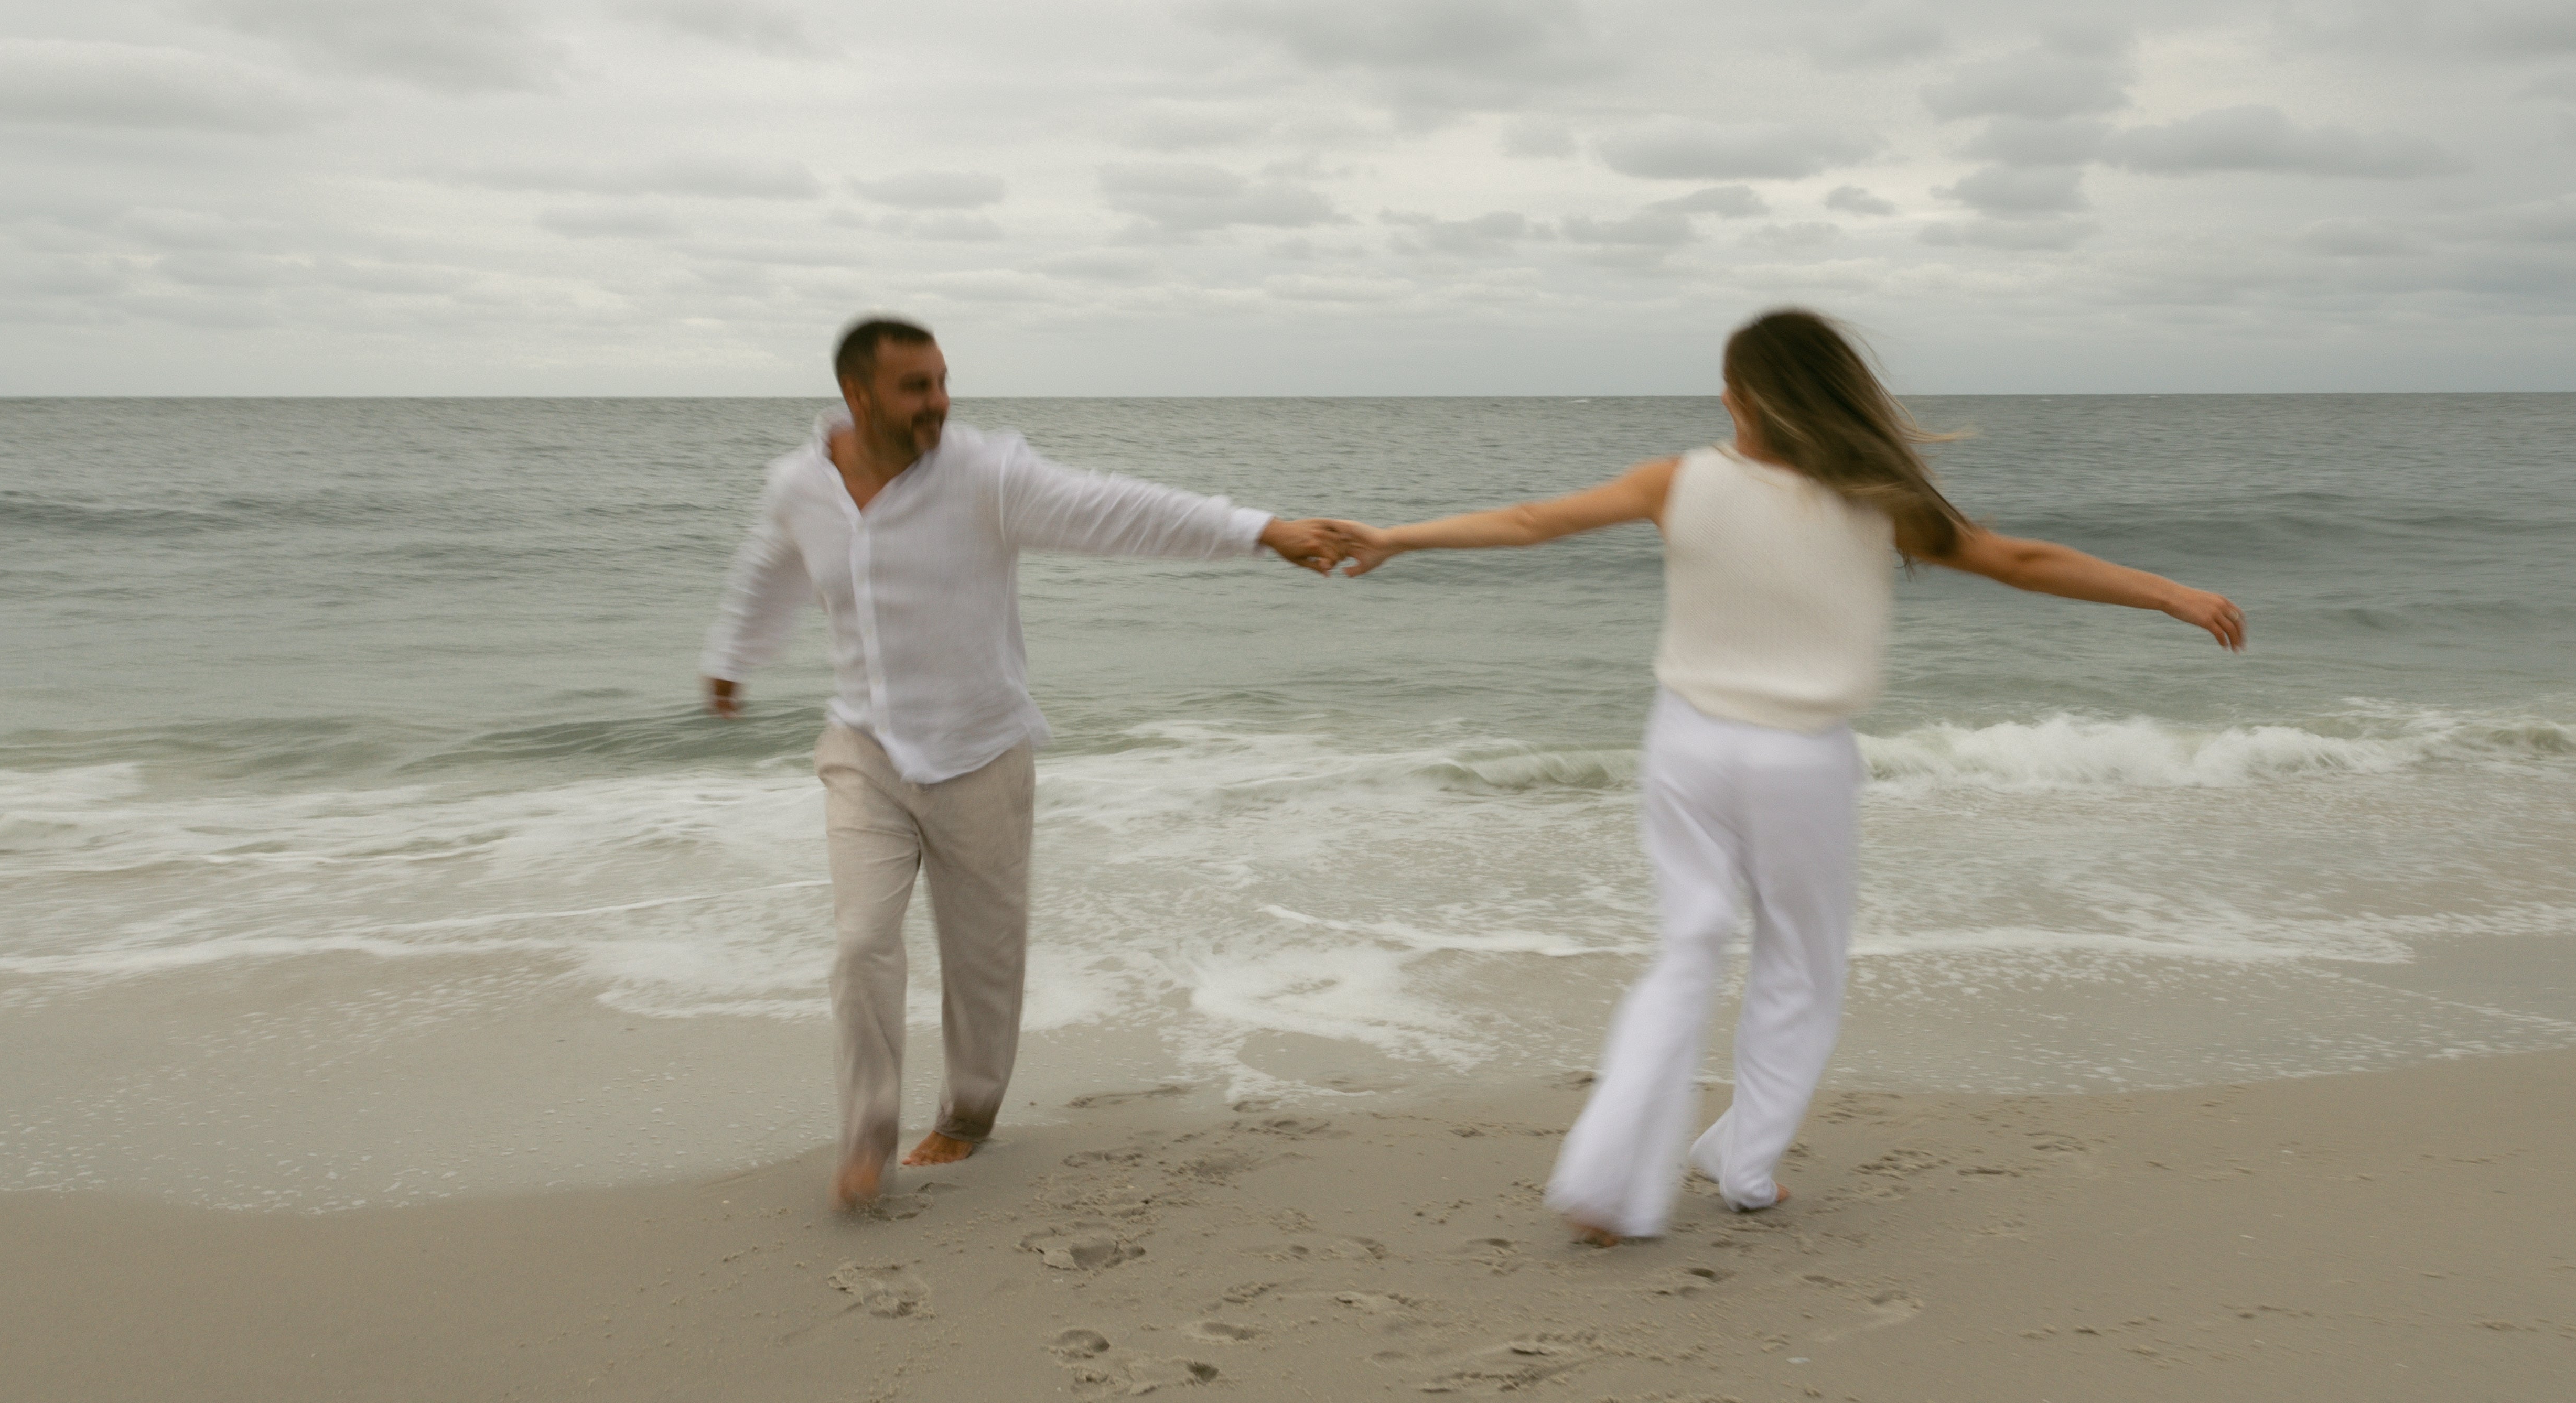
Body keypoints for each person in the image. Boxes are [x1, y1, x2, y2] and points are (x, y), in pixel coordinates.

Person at [1331, 309, 2244, 1245]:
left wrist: (1397, 536)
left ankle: (1606, 1179)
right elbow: (2018, 561)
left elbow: (1531, 522)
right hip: (1799, 757)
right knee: (1799, 967)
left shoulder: (1675, 480)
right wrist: (2167, 592)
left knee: (1688, 943)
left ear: (1738, 398)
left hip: (1684, 743)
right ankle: (1744, 1165)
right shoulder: (1877, 498)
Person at [703, 317, 1348, 1209]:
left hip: (980, 751)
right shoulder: (800, 484)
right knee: (860, 942)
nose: (938, 401)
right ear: (857, 394)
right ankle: (866, 1136)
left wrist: (1260, 530)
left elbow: (1117, 509)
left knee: (983, 960)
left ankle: (968, 1113)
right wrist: (733, 657)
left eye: (942, 380)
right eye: (915, 386)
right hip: (864, 750)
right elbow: (770, 568)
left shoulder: (986, 473)